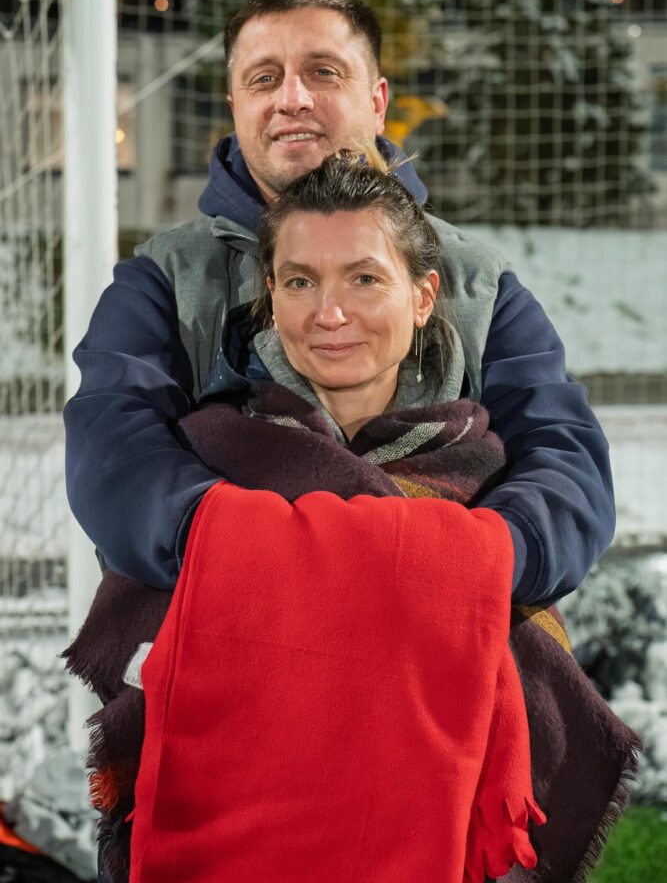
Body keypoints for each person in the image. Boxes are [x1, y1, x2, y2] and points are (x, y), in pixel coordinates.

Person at [66, 151, 637, 883]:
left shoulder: (485, 475)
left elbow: (569, 474)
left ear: (424, 296)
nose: (329, 314)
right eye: (300, 282)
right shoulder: (207, 457)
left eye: (364, 279)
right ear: (269, 296)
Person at [64, 0, 614, 605]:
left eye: (322, 72)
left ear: (377, 101)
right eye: (263, 79)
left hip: (444, 631)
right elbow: (114, 455)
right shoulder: (164, 280)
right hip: (228, 630)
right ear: (235, 105)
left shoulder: (477, 282)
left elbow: (564, 462)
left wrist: (465, 564)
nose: (291, 98)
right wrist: (264, 558)